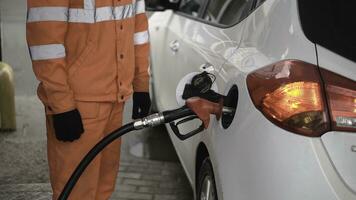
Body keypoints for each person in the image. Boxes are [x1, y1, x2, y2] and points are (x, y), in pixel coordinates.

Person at [26, 0, 151, 199]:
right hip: (77, 104)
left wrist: (142, 83)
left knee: (103, 188)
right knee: (76, 192)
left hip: (115, 99)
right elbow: (45, 42)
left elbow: (139, 30)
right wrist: (62, 105)